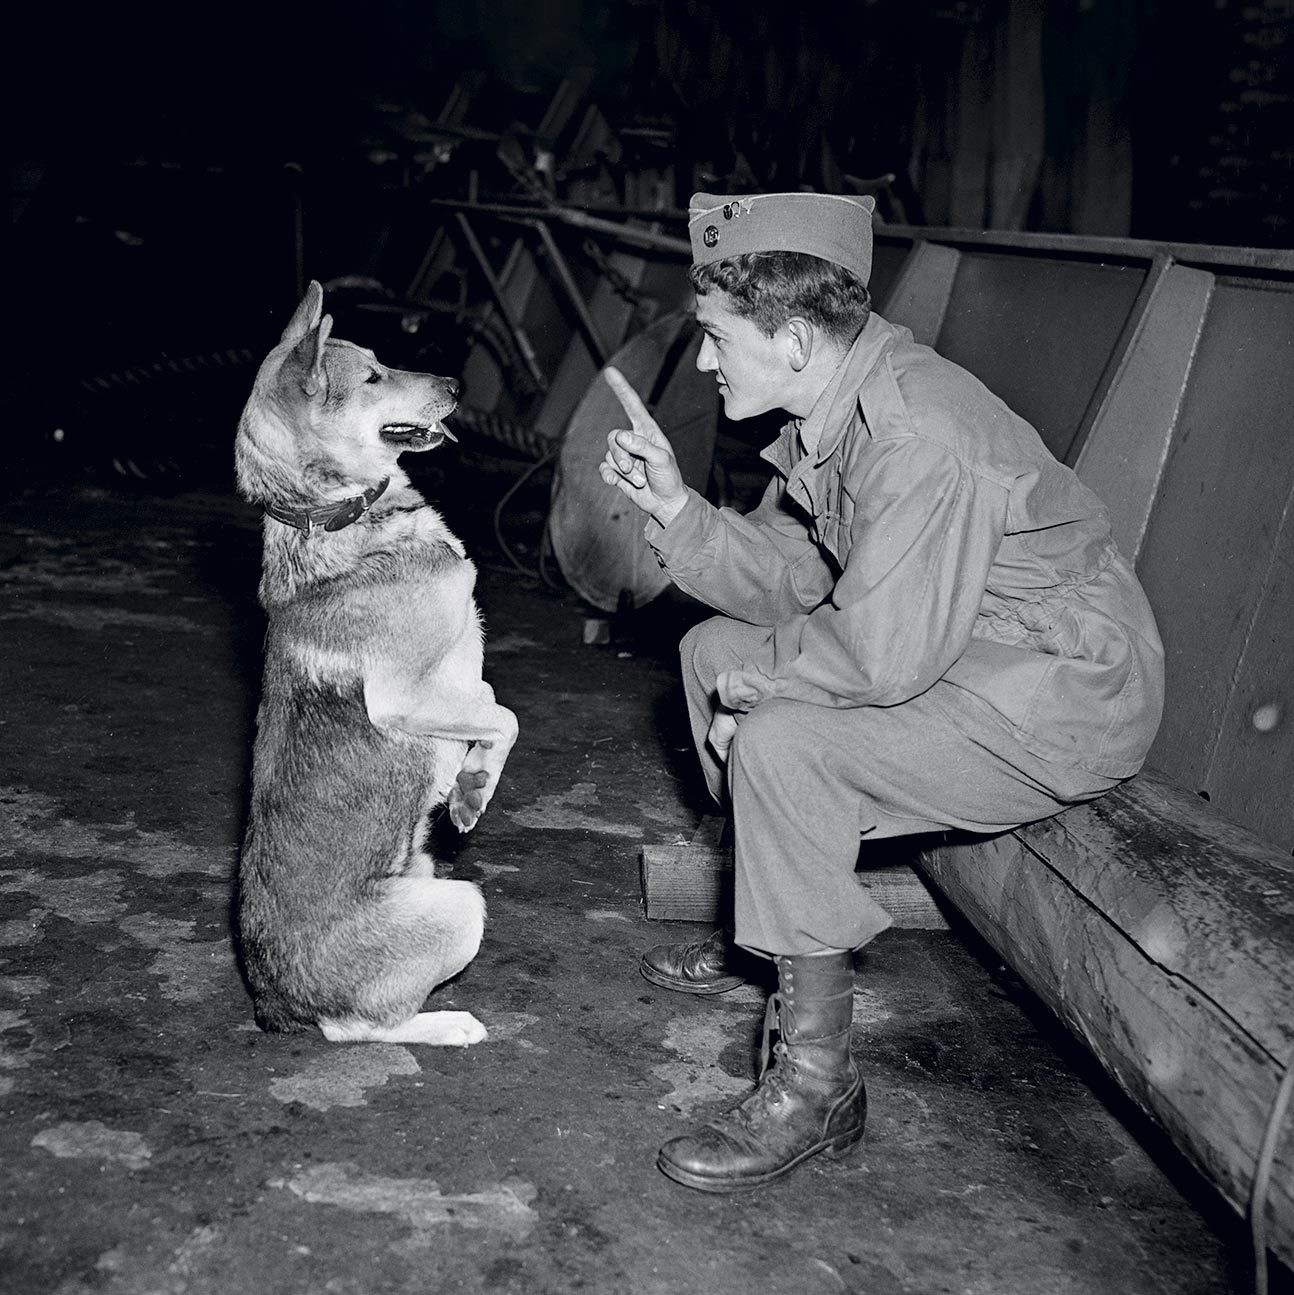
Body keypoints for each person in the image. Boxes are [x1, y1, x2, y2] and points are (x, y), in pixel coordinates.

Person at [598, 191, 1164, 1194]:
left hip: (1056, 691)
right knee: (705, 649)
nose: (704, 362)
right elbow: (793, 578)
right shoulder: (835, 409)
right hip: (964, 653)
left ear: (798, 338)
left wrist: (762, 685)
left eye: (719, 337)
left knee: (781, 738)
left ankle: (817, 1087)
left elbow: (879, 655)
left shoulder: (912, 431)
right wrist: (678, 511)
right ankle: (768, 928)